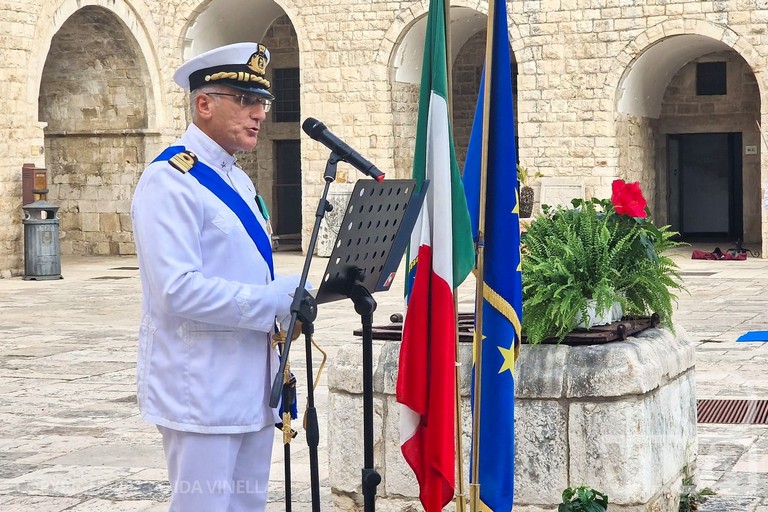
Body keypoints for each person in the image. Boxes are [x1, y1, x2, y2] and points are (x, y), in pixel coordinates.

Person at [130, 42, 304, 512]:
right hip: (200, 387)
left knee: (248, 508)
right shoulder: (170, 180)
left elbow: (241, 269)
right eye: (245, 100)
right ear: (204, 104)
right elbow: (176, 289)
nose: (260, 114)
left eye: (262, 103)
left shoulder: (238, 180)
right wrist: (274, 299)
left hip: (251, 383)